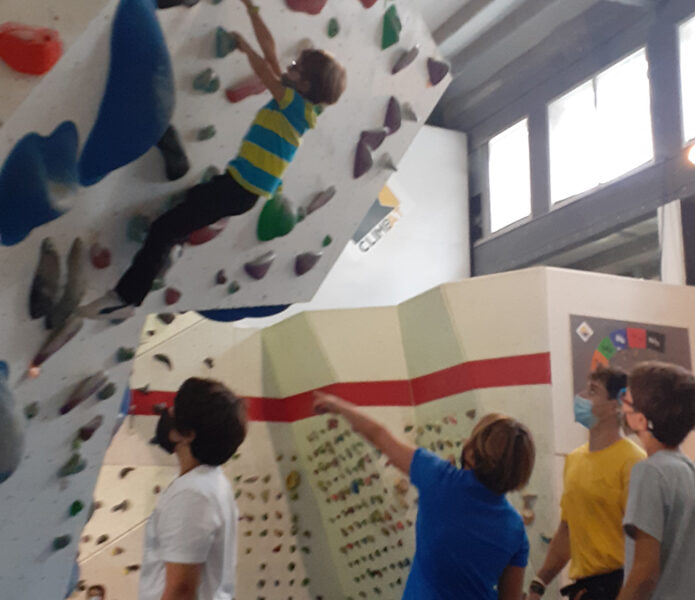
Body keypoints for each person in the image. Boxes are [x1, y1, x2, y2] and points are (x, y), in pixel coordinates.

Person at [80, 0, 347, 320]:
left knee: (164, 228)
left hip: (238, 190)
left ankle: (126, 299)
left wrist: (246, 49)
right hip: (236, 186)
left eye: (296, 67)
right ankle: (168, 252)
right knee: (190, 205)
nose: (288, 67)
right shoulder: (298, 104)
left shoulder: (292, 104)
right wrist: (252, 11)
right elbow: (271, 52)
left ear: (304, 85)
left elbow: (264, 66)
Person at [312, 391, 535, 600]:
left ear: (472, 453)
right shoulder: (515, 531)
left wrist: (337, 405)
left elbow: (379, 435)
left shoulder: (439, 479)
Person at [527, 366, 646, 600]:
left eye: (593, 391)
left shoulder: (634, 462)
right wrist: (539, 583)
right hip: (583, 590)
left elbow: (643, 542)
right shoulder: (574, 459)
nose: (581, 396)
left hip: (620, 587)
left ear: (615, 405)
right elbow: (568, 530)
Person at [617, 361, 695, 600]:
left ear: (641, 419)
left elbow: (645, 573)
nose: (621, 405)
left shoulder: (649, 473)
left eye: (627, 399)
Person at [139, 378, 248, 600]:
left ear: (188, 434)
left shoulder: (192, 494)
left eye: (175, 409)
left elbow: (181, 590)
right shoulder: (210, 481)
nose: (168, 412)